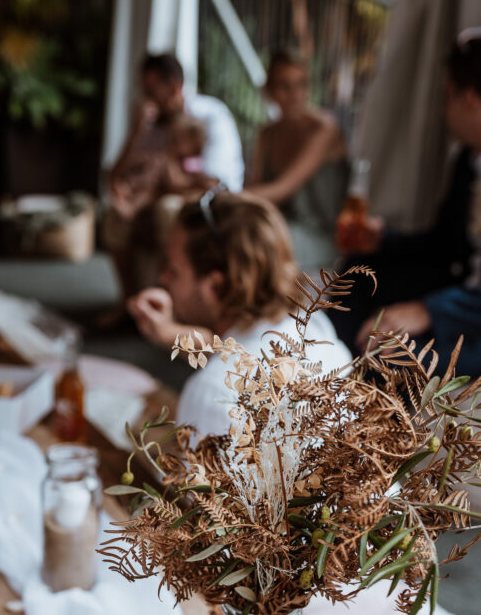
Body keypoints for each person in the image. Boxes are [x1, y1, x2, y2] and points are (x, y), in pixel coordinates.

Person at [128, 190, 351, 435]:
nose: (163, 278)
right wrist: (170, 333)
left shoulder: (213, 395)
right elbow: (247, 356)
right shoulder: (318, 331)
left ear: (216, 286)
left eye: (173, 270)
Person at [334, 30, 481, 377]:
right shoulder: (467, 161)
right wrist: (384, 240)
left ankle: (357, 418)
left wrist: (429, 310)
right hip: (456, 283)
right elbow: (445, 244)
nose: (443, 111)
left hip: (471, 315)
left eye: (446, 97)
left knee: (394, 352)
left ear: (470, 100)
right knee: (359, 271)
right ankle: (324, 369)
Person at [103, 53, 244, 301]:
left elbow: (214, 183)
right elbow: (116, 175)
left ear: (175, 87)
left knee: (167, 210)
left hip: (203, 202)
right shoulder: (152, 124)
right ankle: (128, 301)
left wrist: (160, 186)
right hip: (159, 195)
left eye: (152, 90)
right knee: (117, 213)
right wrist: (135, 134)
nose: (146, 97)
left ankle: (173, 306)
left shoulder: (210, 116)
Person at [246, 50, 348, 271]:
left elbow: (281, 188)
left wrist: (227, 197)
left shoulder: (324, 129)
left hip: (322, 236)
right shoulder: (268, 134)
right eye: (285, 86)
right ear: (269, 91)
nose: (295, 94)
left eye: (301, 84)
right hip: (282, 227)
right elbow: (254, 188)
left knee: (256, 238)